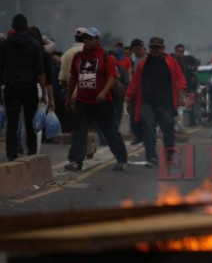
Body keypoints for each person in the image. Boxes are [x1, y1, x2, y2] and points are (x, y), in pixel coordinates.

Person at [65, 27, 127, 172]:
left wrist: (103, 93)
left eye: (90, 38)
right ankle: (75, 161)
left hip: (102, 103)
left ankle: (121, 159)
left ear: (97, 40)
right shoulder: (78, 57)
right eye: (85, 38)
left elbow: (112, 78)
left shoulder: (106, 58)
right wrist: (68, 97)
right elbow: (73, 77)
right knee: (79, 132)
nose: (87, 41)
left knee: (110, 132)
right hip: (82, 101)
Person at [126, 37, 187, 168]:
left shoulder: (171, 62)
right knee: (148, 128)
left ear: (163, 48)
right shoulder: (143, 63)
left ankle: (169, 154)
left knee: (168, 130)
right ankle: (151, 157)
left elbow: (180, 80)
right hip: (147, 103)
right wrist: (129, 98)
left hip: (166, 104)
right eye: (152, 47)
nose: (154, 50)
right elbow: (135, 82)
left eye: (157, 48)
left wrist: (181, 97)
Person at [0, 14, 51, 161]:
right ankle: (32, 153)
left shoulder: (4, 45)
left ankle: (11, 155)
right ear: (26, 27)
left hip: (11, 87)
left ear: (12, 27)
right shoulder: (34, 45)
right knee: (30, 122)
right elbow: (40, 71)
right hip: (29, 87)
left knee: (12, 122)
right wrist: (44, 93)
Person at [128, 38, 147, 145]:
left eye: (135, 49)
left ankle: (145, 136)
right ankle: (138, 136)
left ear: (139, 48)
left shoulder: (148, 59)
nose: (134, 51)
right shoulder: (136, 60)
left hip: (145, 92)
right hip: (135, 92)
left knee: (144, 116)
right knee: (134, 116)